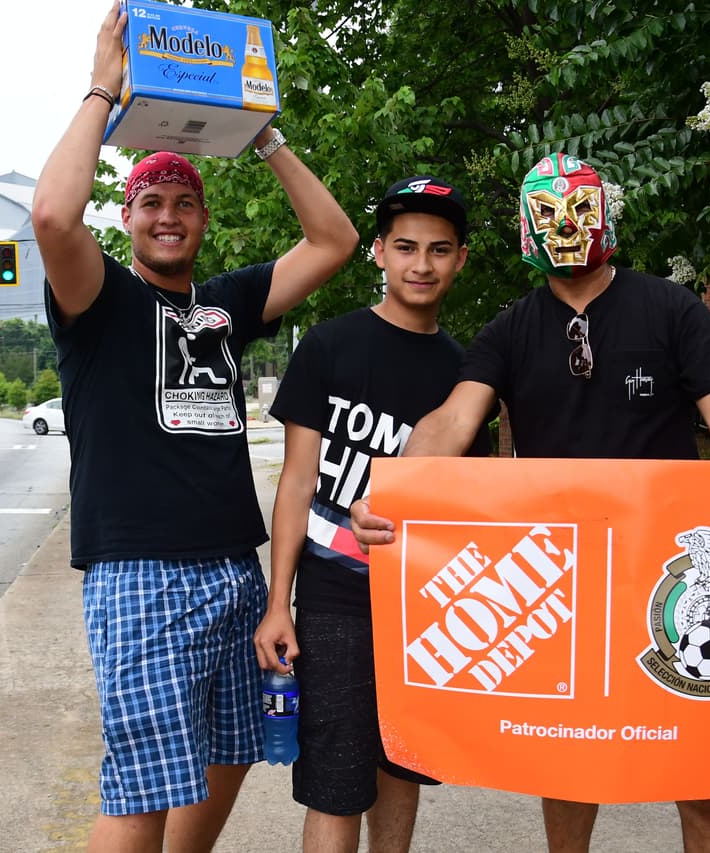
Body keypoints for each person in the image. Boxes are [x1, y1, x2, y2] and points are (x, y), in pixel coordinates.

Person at [349, 152, 710, 853]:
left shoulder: (670, 308)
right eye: (547, 213)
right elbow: (452, 422)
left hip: (663, 575)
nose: (566, 227)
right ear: (526, 227)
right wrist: (389, 492)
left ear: (605, 213)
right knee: (569, 765)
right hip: (566, 579)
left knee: (702, 778)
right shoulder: (511, 326)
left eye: (579, 209)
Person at [31, 4, 359, 851]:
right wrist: (104, 90)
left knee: (226, 756)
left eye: (184, 202)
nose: (168, 215)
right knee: (141, 786)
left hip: (231, 573)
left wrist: (264, 137)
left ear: (203, 218)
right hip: (139, 574)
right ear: (129, 219)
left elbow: (334, 240)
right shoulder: (97, 299)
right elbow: (52, 219)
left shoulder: (224, 304)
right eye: (151, 203)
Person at [254, 176, 491, 853]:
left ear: (461, 259)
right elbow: (297, 482)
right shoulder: (330, 345)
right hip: (334, 604)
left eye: (440, 250)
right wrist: (279, 605)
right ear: (380, 253)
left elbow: (473, 501)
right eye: (407, 246)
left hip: (423, 608)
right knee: (335, 784)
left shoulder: (469, 375)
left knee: (401, 767)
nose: (422, 265)